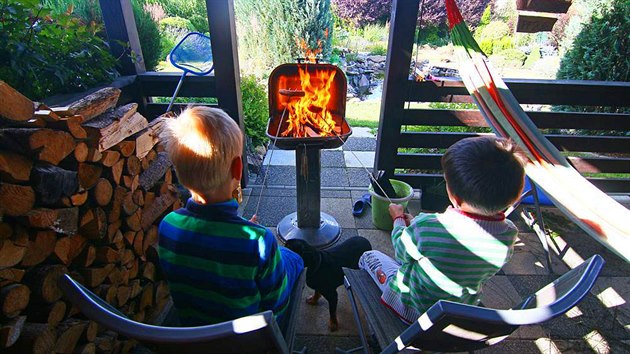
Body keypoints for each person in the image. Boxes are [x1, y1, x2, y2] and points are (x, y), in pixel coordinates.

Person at [157, 106, 304, 327]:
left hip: (193, 334)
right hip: (249, 341)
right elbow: (277, 306)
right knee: (293, 258)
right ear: (238, 169)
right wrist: (252, 237)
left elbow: (210, 250)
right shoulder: (259, 241)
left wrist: (243, 231)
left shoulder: (168, 226)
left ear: (178, 170)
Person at [359, 136, 525, 323]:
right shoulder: (509, 234)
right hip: (455, 314)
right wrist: (415, 224)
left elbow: (401, 252)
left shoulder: (428, 226)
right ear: (513, 197)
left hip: (411, 310)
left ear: (454, 196)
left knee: (368, 256)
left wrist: (398, 219)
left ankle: (380, 314)